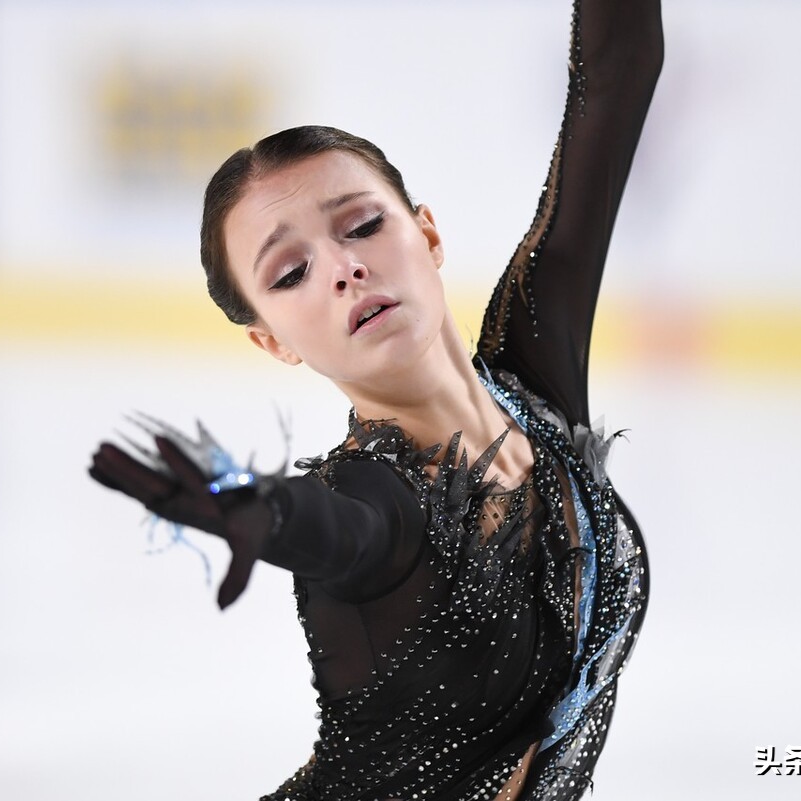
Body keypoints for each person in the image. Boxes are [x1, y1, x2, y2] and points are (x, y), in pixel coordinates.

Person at [89, 0, 663, 798]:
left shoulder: (537, 372)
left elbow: (616, 75)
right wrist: (261, 509)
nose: (341, 268)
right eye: (290, 274)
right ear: (274, 340)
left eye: (360, 225)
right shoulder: (372, 497)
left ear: (426, 234)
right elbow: (340, 532)